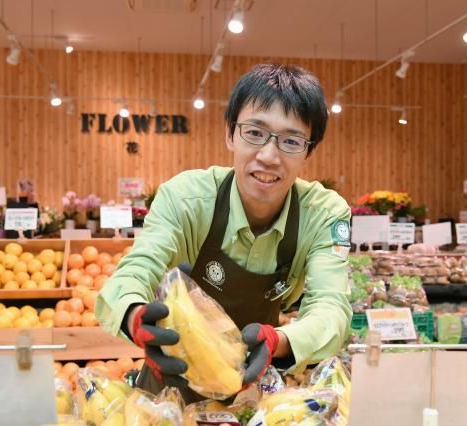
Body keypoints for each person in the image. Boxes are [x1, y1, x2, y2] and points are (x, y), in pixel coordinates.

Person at [96, 63, 352, 401]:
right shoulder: (185, 199)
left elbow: (331, 308)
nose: (268, 156)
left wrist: (280, 341)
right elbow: (135, 271)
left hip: (252, 389)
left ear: (308, 150)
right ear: (230, 134)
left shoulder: (323, 214)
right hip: (168, 387)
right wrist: (135, 318)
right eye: (255, 133)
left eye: (291, 141)